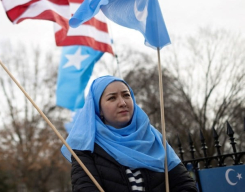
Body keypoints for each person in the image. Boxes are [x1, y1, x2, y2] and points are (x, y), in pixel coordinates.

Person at [61, 75, 197, 192]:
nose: (122, 103)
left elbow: (185, 185)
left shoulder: (154, 139)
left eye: (126, 95)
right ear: (99, 109)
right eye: (112, 98)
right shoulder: (87, 149)